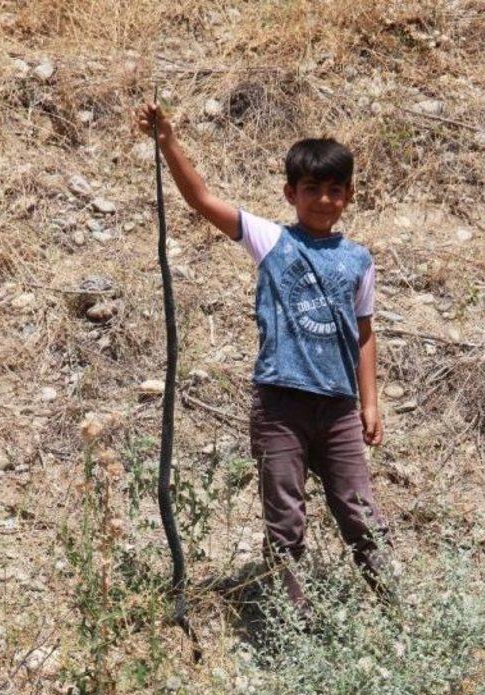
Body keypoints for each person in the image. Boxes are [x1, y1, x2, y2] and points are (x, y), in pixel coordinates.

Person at [137, 100, 393, 608]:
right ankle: (292, 628)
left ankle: (398, 608)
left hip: (339, 409)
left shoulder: (358, 259)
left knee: (361, 513)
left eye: (335, 190)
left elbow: (364, 332)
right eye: (312, 190)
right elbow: (201, 199)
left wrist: (370, 402)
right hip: (281, 406)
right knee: (286, 518)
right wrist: (167, 140)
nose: (324, 199)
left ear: (349, 196)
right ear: (290, 194)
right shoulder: (271, 239)